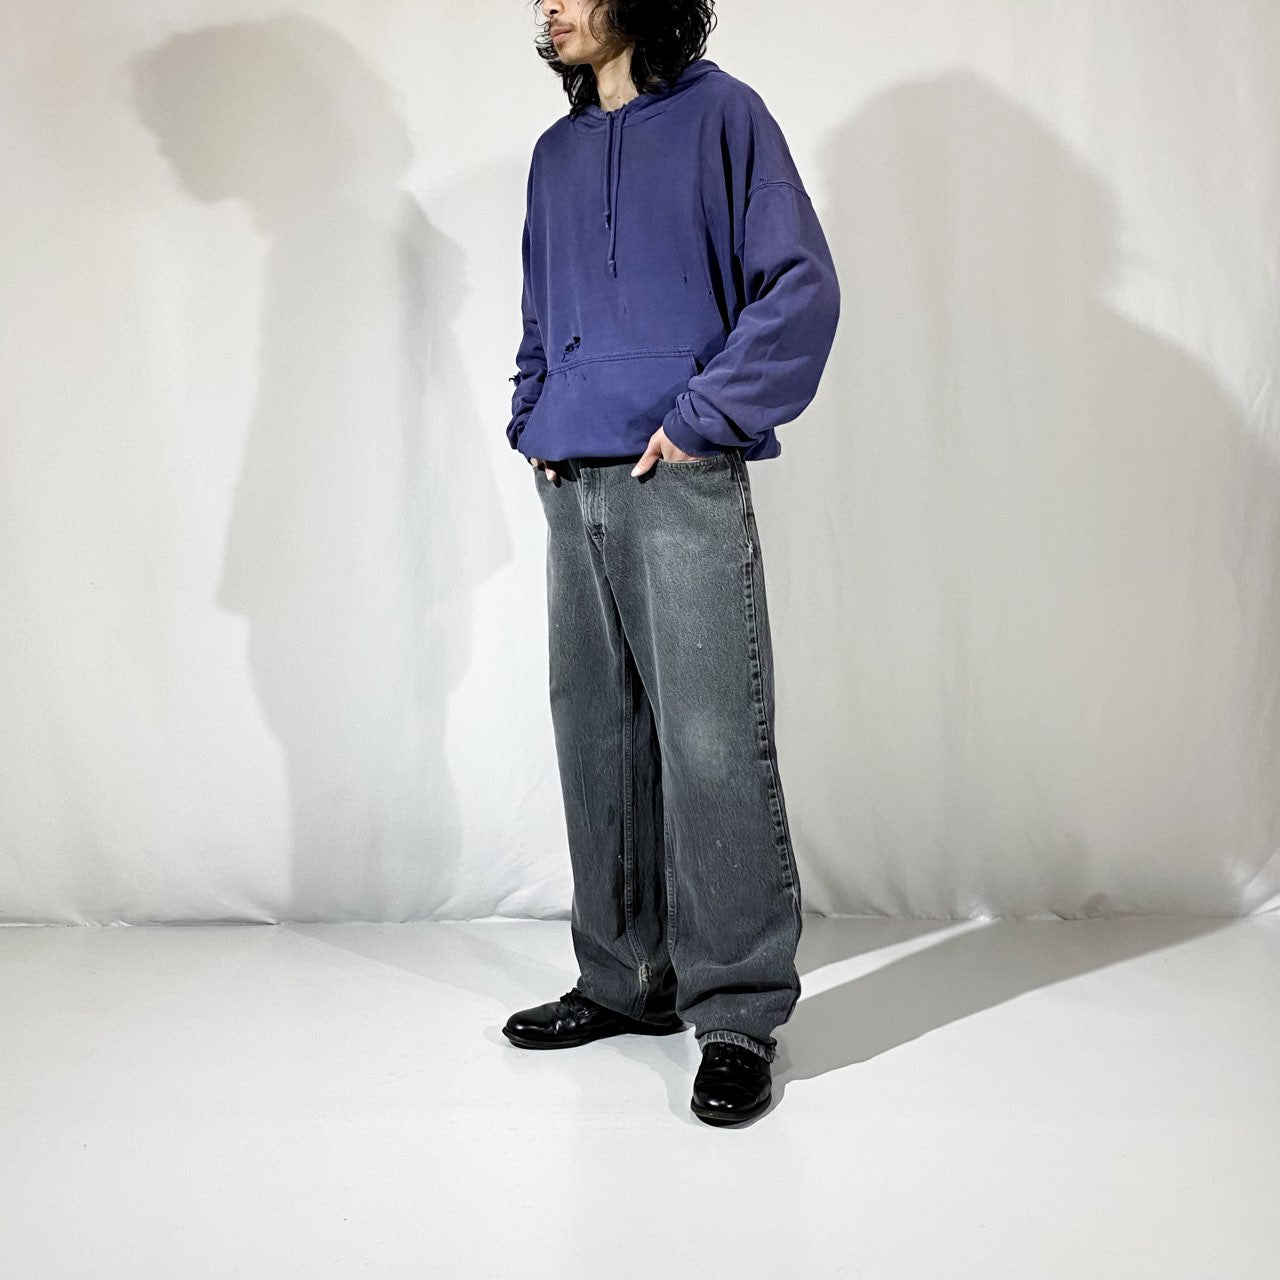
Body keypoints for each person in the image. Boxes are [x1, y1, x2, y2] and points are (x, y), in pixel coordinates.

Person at [501, 0, 841, 1127]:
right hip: (572, 481)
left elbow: (800, 287)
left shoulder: (724, 118)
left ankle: (737, 1010)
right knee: (594, 734)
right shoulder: (553, 156)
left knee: (710, 740)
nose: (549, 6)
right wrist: (532, 416)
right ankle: (624, 977)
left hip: (677, 473)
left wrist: (702, 419)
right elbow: (538, 312)